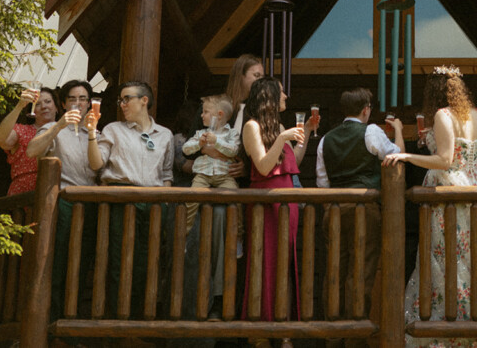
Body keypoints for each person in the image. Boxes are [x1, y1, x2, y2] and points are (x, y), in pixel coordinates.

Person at [383, 65, 477, 348]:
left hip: (449, 188)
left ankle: (449, 329)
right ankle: (476, 327)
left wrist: (408, 155)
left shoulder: (442, 114)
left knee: (446, 257)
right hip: (474, 187)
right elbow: (466, 152)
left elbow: (446, 159)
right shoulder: (473, 113)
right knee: (473, 259)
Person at [315, 88, 403, 345]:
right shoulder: (371, 131)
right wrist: (397, 130)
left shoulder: (325, 140)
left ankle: (333, 337)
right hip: (365, 210)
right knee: (360, 272)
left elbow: (322, 183)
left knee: (334, 272)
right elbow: (394, 155)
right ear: (366, 109)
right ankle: (355, 337)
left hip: (333, 210)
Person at [86, 81, 173, 318]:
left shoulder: (165, 134)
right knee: (117, 262)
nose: (122, 104)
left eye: (127, 99)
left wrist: (164, 204)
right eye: (120, 100)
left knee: (148, 264)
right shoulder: (113, 129)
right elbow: (96, 164)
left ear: (144, 100)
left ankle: (140, 320)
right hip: (120, 199)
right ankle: (116, 321)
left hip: (153, 204)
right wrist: (92, 133)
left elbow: (166, 174)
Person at [240, 77, 314, 327]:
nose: (286, 97)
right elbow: (262, 166)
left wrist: (307, 134)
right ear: (269, 97)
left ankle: (284, 327)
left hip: (287, 201)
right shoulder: (251, 126)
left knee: (285, 263)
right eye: (282, 93)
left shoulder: (279, 126)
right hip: (264, 201)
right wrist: (282, 139)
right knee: (264, 261)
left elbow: (292, 164)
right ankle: (260, 329)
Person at [26, 79, 97, 321]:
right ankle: (54, 320)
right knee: (59, 263)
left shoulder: (95, 131)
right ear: (64, 104)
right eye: (73, 99)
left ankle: (75, 320)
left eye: (83, 99)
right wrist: (58, 126)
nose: (78, 103)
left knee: (84, 262)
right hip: (64, 204)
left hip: (91, 205)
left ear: (90, 103)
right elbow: (31, 151)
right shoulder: (52, 129)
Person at [182, 94, 238, 232]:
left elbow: (234, 151)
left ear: (219, 115)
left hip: (225, 176)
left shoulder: (232, 133)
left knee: (236, 198)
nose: (201, 115)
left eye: (205, 112)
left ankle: (238, 234)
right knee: (192, 199)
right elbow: (186, 149)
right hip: (202, 175)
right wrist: (199, 144)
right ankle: (185, 231)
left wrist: (217, 142)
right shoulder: (200, 133)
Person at [0, 85, 61, 195]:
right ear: (32, 110)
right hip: (24, 193)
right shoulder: (22, 130)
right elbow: (1, 139)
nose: (44, 106)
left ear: (57, 107)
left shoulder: (67, 131)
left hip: (56, 190)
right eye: (38, 104)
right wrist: (19, 106)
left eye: (48, 101)